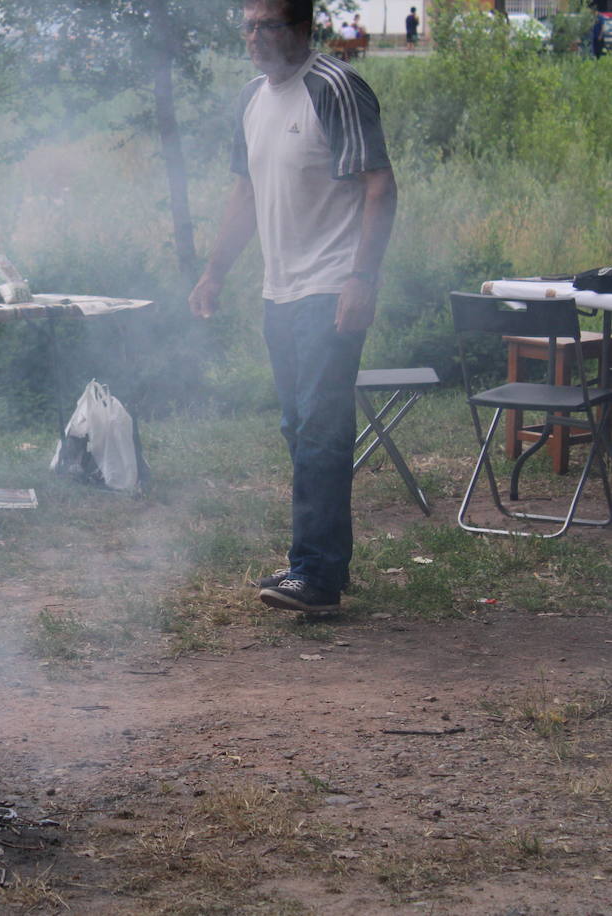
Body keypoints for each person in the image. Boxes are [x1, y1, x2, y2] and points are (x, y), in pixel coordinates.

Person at [187, 0, 397, 615]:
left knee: (319, 429)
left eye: (268, 25)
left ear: (303, 30)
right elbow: (245, 192)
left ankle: (316, 575)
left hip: (331, 288)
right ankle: (326, 561)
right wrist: (215, 270)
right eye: (247, 25)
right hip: (277, 293)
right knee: (297, 427)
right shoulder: (252, 98)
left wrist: (363, 278)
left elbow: (379, 186)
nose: (254, 37)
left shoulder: (336, 87)